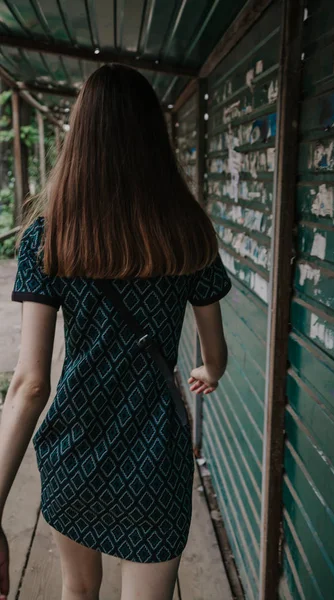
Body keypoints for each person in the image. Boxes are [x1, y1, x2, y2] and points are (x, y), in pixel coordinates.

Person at [0, 64, 231, 600]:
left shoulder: (48, 236)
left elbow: (30, 384)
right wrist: (207, 370)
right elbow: (214, 353)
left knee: (78, 591)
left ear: (80, 138)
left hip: (74, 447)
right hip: (155, 456)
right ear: (154, 137)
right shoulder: (188, 231)